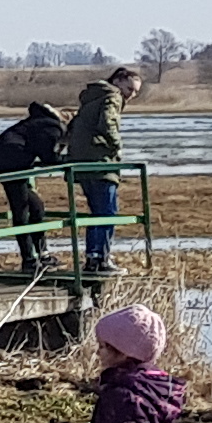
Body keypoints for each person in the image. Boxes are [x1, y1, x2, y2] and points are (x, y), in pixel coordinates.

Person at [60, 66, 141, 276]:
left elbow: (75, 124)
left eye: (134, 93)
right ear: (118, 81)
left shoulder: (92, 97)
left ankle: (93, 258)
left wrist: (64, 149)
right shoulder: (112, 96)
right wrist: (117, 146)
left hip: (82, 161)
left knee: (97, 213)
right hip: (100, 161)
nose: (130, 95)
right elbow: (108, 122)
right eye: (129, 89)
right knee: (107, 211)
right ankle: (101, 259)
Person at [0, 100, 68, 278]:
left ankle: (41, 255)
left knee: (35, 207)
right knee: (23, 210)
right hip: (11, 164)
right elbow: (49, 157)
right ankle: (29, 260)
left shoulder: (39, 122)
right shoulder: (52, 128)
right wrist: (70, 159)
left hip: (7, 162)